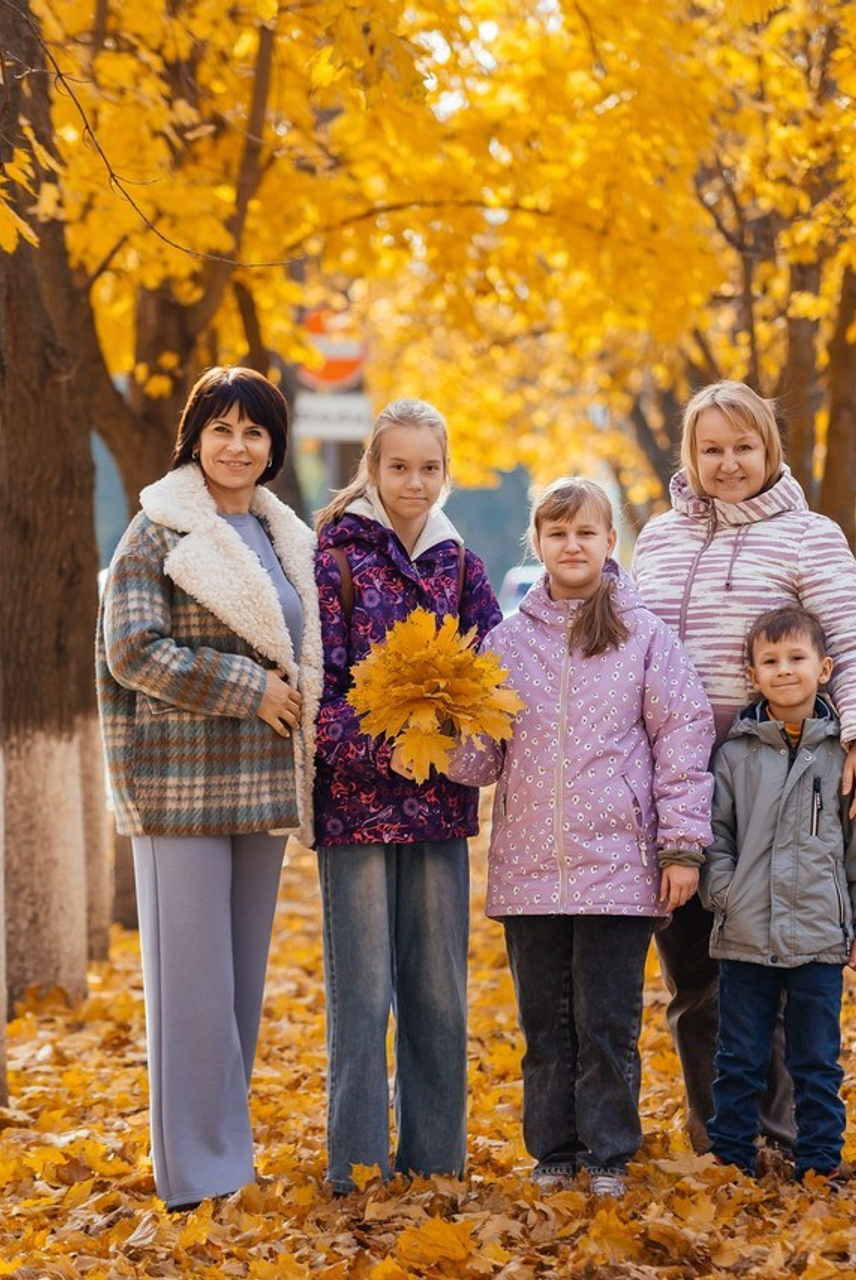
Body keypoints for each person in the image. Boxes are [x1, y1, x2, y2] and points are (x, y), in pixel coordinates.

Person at [632, 380, 856, 1155]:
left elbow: (850, 639)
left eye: (744, 447)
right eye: (712, 449)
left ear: (768, 450)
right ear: (691, 454)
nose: (728, 463)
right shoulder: (657, 537)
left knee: (767, 957)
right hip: (669, 774)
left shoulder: (811, 536)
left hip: (772, 770)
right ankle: (720, 1132)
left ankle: (776, 1132)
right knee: (691, 970)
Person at [96, 366, 324, 1212]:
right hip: (177, 788)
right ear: (195, 436)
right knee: (188, 991)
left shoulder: (279, 534)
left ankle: (230, 1153)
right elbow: (132, 651)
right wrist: (247, 689)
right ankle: (196, 1176)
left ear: (272, 449)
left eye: (254, 432)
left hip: (258, 788)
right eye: (222, 429)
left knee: (236, 990)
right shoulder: (158, 533)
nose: (238, 446)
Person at [448, 478, 715, 1199]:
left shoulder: (646, 637)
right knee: (545, 1026)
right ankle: (554, 1153)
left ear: (609, 543)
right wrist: (445, 724)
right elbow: (479, 762)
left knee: (605, 1022)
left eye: (586, 533)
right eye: (557, 533)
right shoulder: (505, 643)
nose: (572, 545)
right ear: (537, 543)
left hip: (619, 869)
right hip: (531, 869)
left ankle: (607, 1153)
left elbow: (683, 743)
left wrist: (682, 849)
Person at [312, 397, 501, 1195]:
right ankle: (356, 1166)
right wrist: (391, 752)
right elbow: (318, 691)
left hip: (439, 813)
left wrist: (463, 754)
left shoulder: (462, 566)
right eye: (399, 466)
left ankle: (436, 1160)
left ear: (445, 471)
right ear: (372, 469)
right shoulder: (333, 560)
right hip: (354, 811)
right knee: (361, 997)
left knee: (439, 993)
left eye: (429, 467)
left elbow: (495, 673)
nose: (414, 482)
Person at [701, 604, 856, 1180]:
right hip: (746, 933)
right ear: (752, 676)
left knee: (815, 1061)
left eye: (797, 658)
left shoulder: (844, 757)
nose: (784, 670)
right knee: (738, 1059)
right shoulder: (734, 754)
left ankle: (820, 1162)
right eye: (770, 661)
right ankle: (731, 1160)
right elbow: (716, 835)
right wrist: (724, 892)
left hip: (818, 937)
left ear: (824, 667)